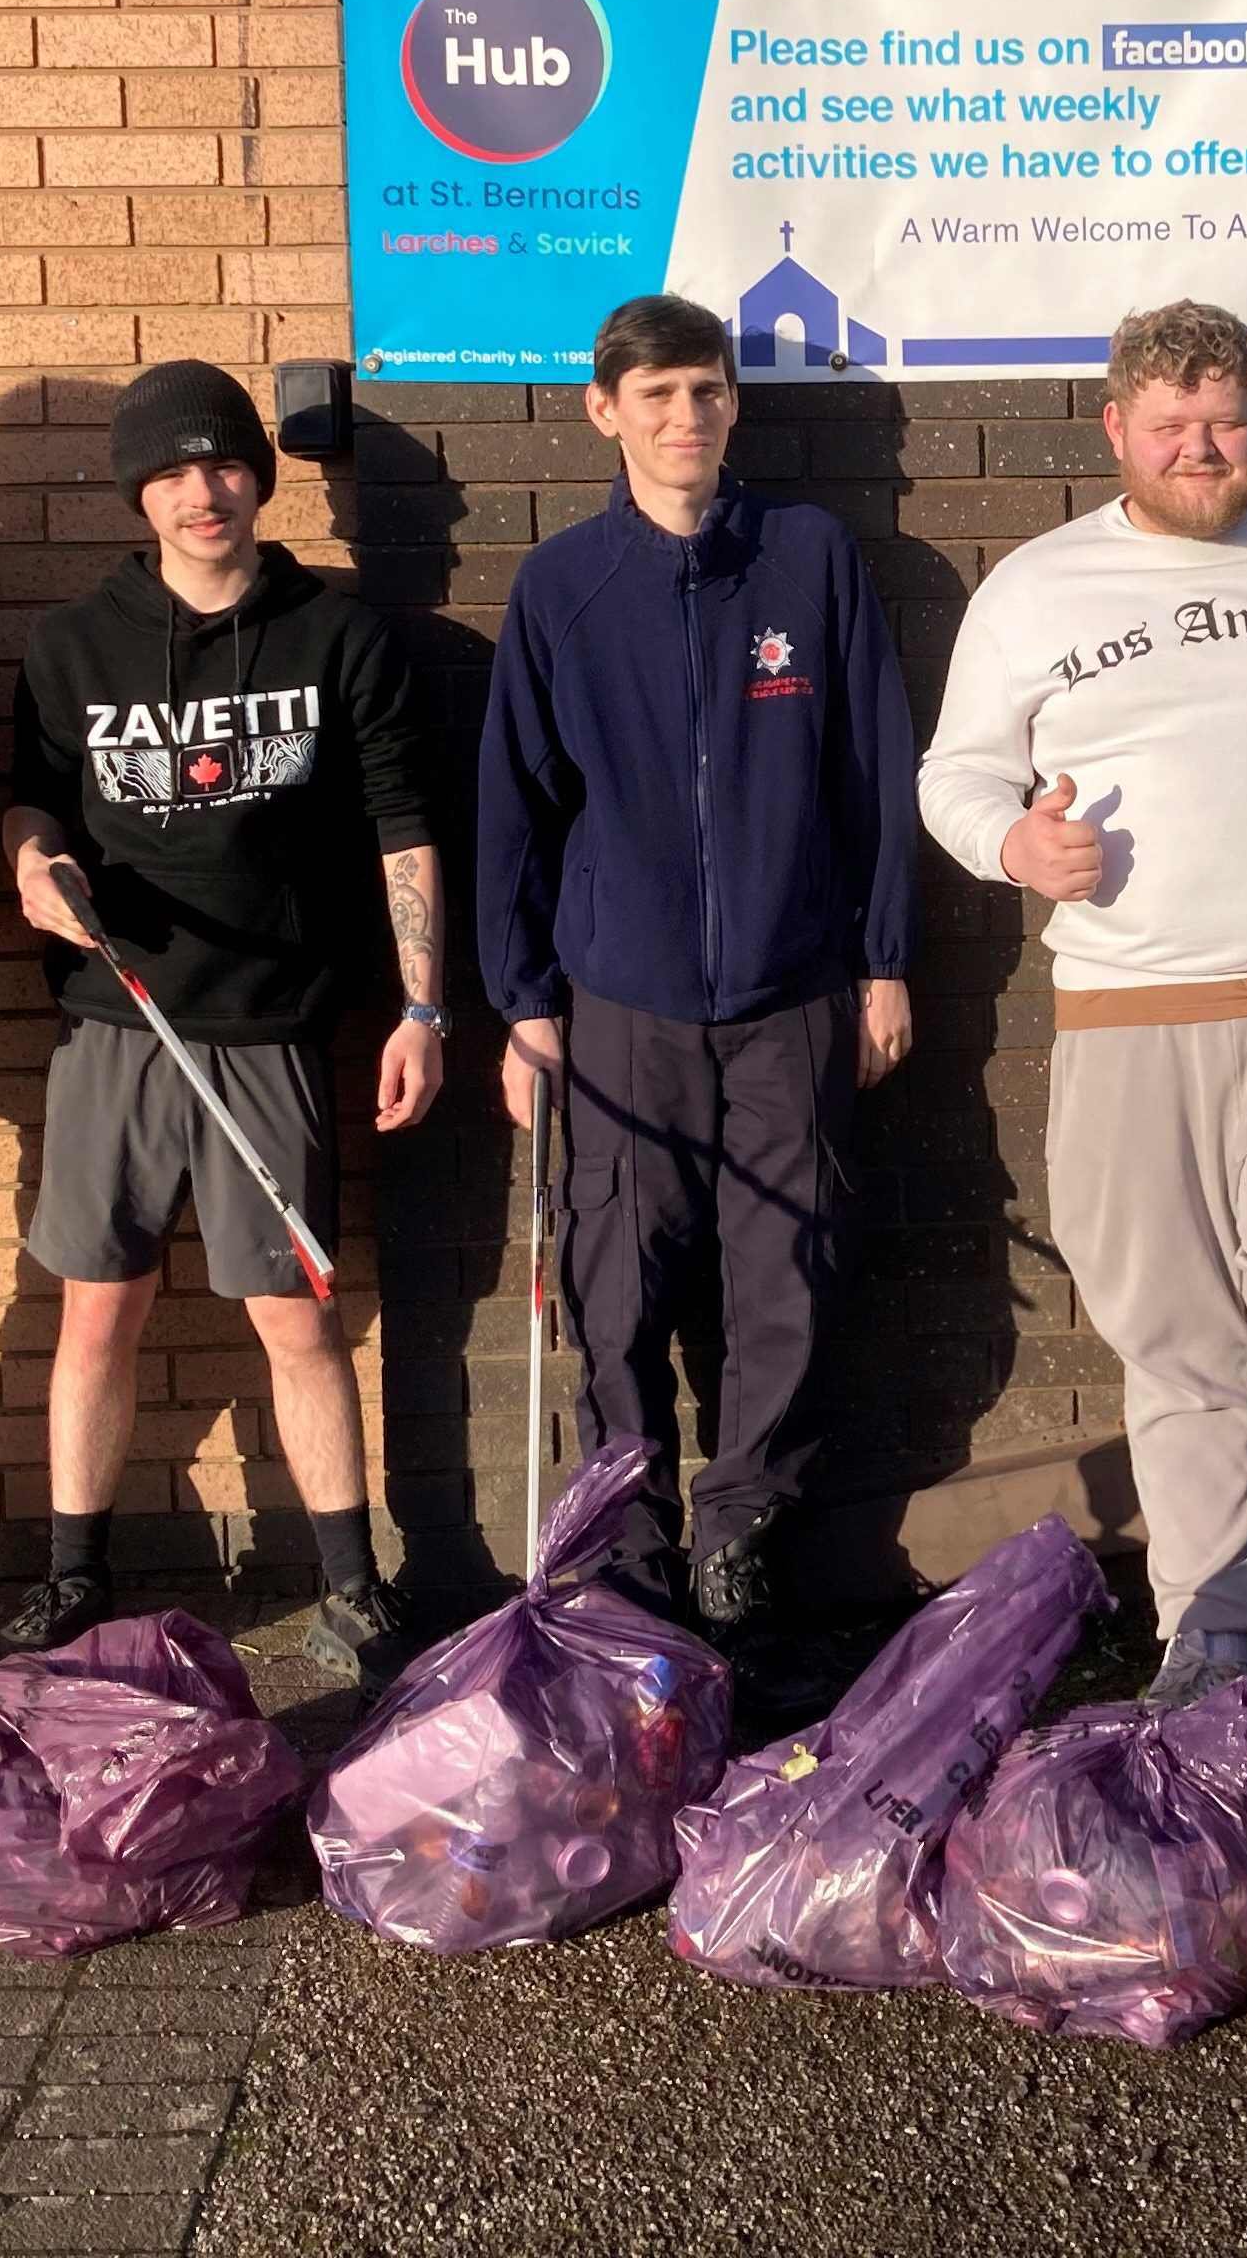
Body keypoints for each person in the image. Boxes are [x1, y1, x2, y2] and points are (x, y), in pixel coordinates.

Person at [917, 301, 1247, 1708]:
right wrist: (1018, 850)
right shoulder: (1040, 588)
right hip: (1125, 1002)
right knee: (1164, 1329)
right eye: (1169, 428)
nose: (1199, 448)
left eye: (1223, 422)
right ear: (1116, 431)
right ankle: (1207, 1631)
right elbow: (957, 778)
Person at [0, 360, 446, 1684]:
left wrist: (424, 1005)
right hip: (117, 1031)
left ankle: (353, 1584)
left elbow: (403, 827)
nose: (205, 491)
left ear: (261, 475)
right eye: (176, 471)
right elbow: (35, 803)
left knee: (298, 1321)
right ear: (142, 489)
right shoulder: (76, 643)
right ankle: (75, 1577)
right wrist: (31, 865)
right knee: (97, 1315)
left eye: (226, 464)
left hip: (273, 1035)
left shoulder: (338, 635)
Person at [470, 293, 919, 1643]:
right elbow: (516, 807)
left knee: (786, 1273)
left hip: (792, 992)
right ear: (605, 410)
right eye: (656, 395)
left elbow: (874, 777)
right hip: (622, 1004)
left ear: (735, 407)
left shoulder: (809, 559)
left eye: (708, 393)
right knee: (620, 1280)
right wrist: (525, 1001)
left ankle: (742, 1530)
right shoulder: (563, 586)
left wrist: (883, 962)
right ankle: (630, 1543)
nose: (685, 418)